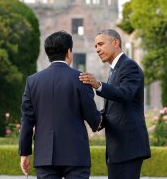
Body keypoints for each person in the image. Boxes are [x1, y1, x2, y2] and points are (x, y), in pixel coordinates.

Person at [18, 30, 101, 179]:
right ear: (69, 52)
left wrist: (24, 152)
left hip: (45, 156)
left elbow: (27, 121)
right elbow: (94, 120)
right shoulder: (82, 79)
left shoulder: (33, 81)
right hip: (76, 155)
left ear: (48, 53)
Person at [79, 29, 151, 179]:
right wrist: (96, 119)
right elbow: (113, 109)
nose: (97, 50)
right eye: (95, 46)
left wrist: (98, 85)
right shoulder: (115, 70)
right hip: (118, 148)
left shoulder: (129, 66)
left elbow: (125, 94)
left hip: (129, 147)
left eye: (100, 44)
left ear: (115, 43)